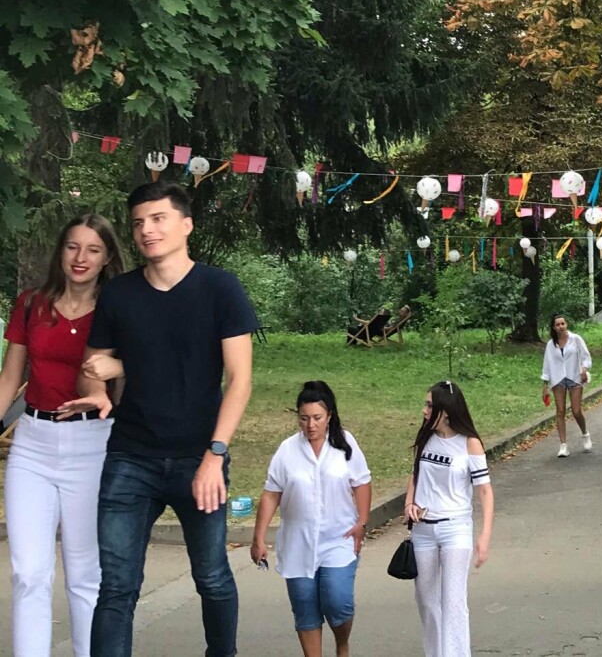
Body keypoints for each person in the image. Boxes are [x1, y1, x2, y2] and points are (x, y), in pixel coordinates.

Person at [60, 182, 257, 657]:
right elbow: (93, 367)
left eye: (158, 219)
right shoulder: (120, 296)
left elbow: (240, 380)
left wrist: (215, 455)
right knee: (117, 588)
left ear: (185, 225)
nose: (147, 230)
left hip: (199, 458)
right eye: (138, 223)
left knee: (211, 576)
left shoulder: (220, 289)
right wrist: (97, 393)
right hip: (130, 458)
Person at [0, 214, 125, 657]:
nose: (81, 257)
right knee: (28, 574)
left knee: (85, 575)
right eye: (73, 246)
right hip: (32, 442)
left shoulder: (119, 307)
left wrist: (115, 376)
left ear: (107, 256)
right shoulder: (32, 303)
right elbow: (9, 376)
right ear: (60, 251)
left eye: (93, 249)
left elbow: (145, 363)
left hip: (92, 444)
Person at [251, 381, 371, 657]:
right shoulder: (287, 450)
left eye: (317, 418)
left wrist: (361, 522)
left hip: (339, 540)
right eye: (304, 419)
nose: (310, 425)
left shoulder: (345, 443)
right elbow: (271, 494)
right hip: (297, 543)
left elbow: (362, 483)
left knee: (337, 602)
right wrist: (258, 538)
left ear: (329, 416)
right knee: (305, 609)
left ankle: (342, 644)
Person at [405, 381, 494, 657]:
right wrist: (409, 502)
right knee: (427, 602)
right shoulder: (426, 438)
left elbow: (484, 491)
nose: (424, 410)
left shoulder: (469, 444)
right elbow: (415, 475)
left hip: (455, 528)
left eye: (430, 405)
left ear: (445, 411)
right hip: (423, 530)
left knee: (453, 602)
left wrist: (484, 535)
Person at [541, 314, 592, 457]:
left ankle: (585, 433)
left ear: (566, 324)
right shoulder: (551, 345)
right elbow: (546, 365)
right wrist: (545, 384)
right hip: (558, 379)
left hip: (574, 377)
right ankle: (563, 445)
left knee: (576, 411)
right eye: (557, 325)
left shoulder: (576, 339)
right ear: (554, 327)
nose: (561, 327)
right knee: (560, 411)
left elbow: (586, 357)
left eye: (562, 323)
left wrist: (584, 369)